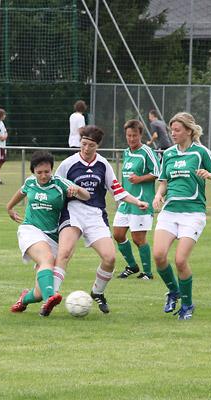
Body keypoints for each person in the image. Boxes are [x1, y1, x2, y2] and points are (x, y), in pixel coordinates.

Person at [53, 125, 149, 314]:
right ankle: (51, 296)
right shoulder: (68, 164)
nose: (86, 148)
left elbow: (117, 190)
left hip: (95, 215)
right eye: (84, 144)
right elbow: (55, 186)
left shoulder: (103, 164)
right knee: (64, 253)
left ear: (97, 146)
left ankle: (97, 292)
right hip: (72, 212)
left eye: (91, 145)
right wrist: (66, 191)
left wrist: (137, 202)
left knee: (109, 258)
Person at [152, 112, 211, 320]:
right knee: (159, 256)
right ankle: (174, 291)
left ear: (189, 131)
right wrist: (158, 195)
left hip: (193, 213)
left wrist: (210, 175)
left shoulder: (201, 152)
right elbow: (164, 182)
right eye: (171, 130)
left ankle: (187, 305)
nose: (173, 134)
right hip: (169, 211)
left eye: (177, 130)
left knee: (180, 260)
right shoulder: (168, 154)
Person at [7, 151, 90, 317]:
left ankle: (24, 299)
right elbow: (21, 192)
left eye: (47, 171)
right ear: (33, 171)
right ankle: (50, 298)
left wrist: (77, 189)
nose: (43, 176)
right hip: (30, 229)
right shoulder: (30, 182)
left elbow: (86, 196)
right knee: (47, 259)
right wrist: (9, 208)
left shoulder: (59, 183)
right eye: (39, 172)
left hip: (52, 237)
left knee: (39, 292)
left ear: (52, 170)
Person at [114, 119, 161, 280]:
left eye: (134, 135)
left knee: (138, 238)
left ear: (140, 135)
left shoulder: (147, 152)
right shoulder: (126, 152)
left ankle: (147, 273)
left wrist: (140, 179)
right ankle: (132, 266)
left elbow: (158, 172)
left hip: (142, 201)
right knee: (118, 234)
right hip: (126, 202)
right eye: (129, 135)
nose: (131, 138)